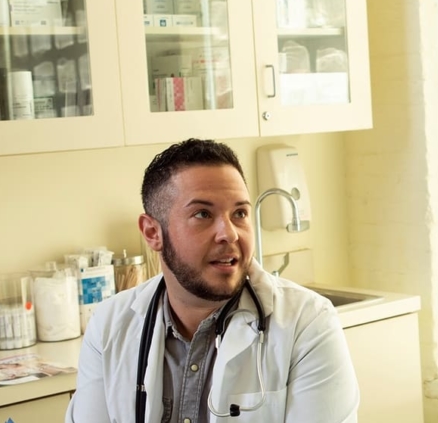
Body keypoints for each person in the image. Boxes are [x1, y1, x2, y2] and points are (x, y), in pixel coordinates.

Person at [67, 139, 359, 423]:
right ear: (152, 233)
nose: (229, 234)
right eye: (203, 214)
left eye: (240, 213)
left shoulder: (307, 324)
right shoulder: (109, 325)